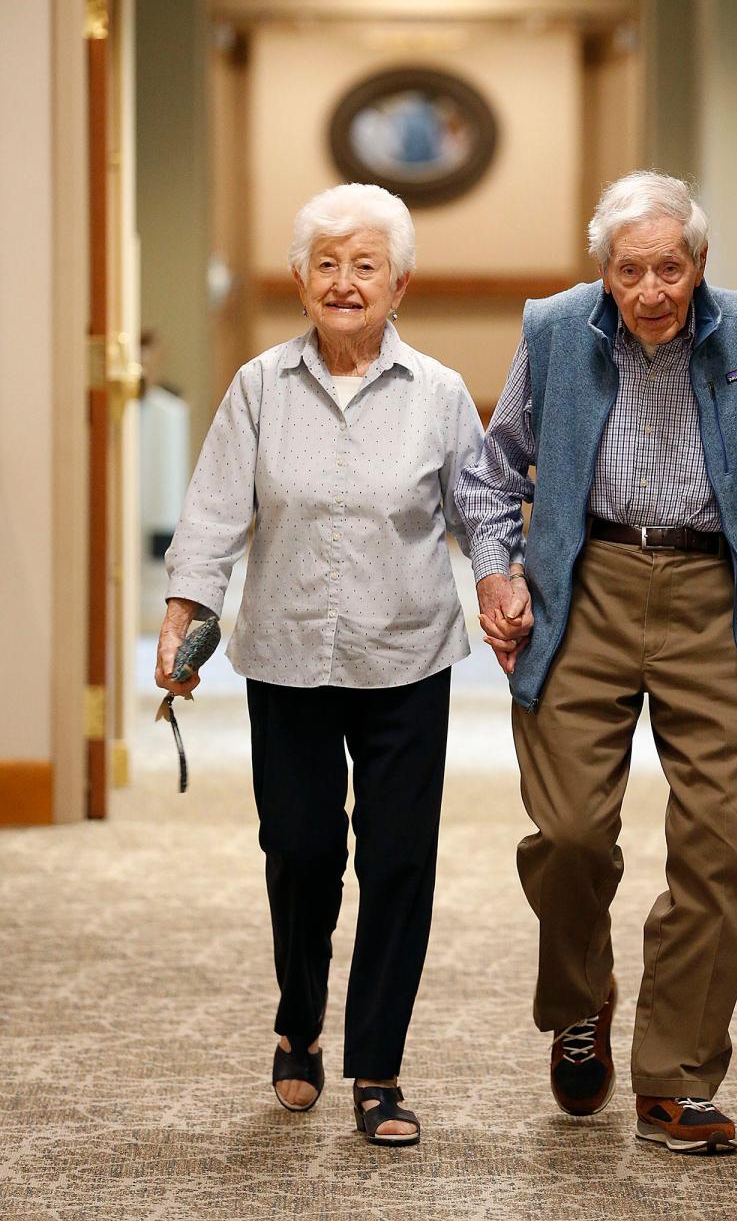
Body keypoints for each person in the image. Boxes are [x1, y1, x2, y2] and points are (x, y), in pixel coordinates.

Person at [455, 171, 737, 1155]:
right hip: (582, 584)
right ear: (604, 272)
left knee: (720, 851)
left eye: (669, 267)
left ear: (699, 266)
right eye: (630, 270)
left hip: (716, 594)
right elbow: (490, 467)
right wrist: (497, 570)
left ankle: (675, 1077)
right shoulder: (556, 330)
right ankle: (582, 989)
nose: (650, 290)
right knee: (568, 835)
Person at [157, 182, 483, 1147]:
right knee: (300, 853)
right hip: (289, 652)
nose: (346, 282)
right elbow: (215, 512)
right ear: (301, 280)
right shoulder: (260, 385)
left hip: (408, 652)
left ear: (401, 283)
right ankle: (299, 1019)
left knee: (399, 862)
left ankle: (377, 1067)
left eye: (366, 265)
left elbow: (483, 520)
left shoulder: (440, 396)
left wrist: (511, 593)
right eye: (327, 264)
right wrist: (185, 618)